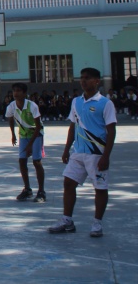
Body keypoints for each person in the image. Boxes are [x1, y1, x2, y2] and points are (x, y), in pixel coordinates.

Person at [48, 67, 117, 237]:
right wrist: (66, 149)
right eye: (82, 78)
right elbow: (73, 127)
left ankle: (97, 223)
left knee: (100, 188)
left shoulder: (105, 103)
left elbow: (111, 131)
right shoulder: (76, 102)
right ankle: (67, 220)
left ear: (96, 81)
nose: (83, 81)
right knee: (68, 183)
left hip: (97, 154)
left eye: (87, 78)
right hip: (78, 152)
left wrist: (106, 156)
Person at [5, 83, 46, 202]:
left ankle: (41, 192)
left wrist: (30, 145)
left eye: (18, 91)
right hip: (23, 134)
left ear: (24, 93)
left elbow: (38, 127)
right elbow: (10, 120)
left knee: (36, 161)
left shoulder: (32, 106)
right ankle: (27, 189)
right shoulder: (11, 106)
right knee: (22, 160)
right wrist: (13, 135)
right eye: (14, 91)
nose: (15, 93)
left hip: (36, 133)